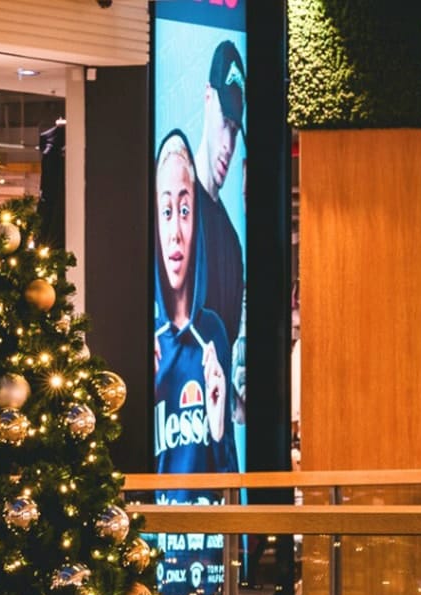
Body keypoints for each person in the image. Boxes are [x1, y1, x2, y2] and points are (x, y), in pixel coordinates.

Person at [154, 128, 236, 477]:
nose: (175, 233)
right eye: (166, 211)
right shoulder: (149, 342)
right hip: (160, 527)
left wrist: (217, 424)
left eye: (185, 210)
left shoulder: (213, 332)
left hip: (211, 527)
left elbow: (228, 468)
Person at [193, 39, 246, 348]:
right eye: (225, 123)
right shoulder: (171, 205)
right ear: (208, 97)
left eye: (235, 130)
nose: (228, 144)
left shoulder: (232, 245)